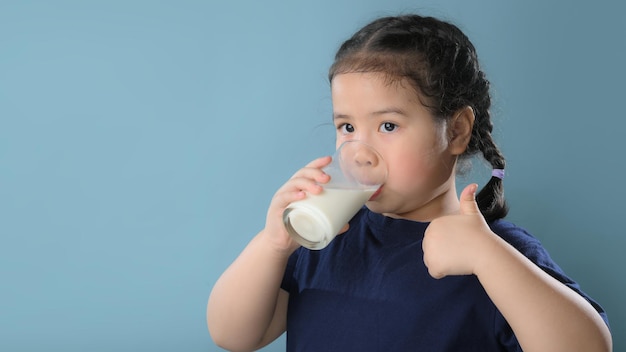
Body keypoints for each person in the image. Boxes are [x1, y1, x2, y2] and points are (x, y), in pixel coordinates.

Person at [207, 13, 612, 351]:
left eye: (387, 125)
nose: (361, 150)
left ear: (455, 131)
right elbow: (235, 336)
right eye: (347, 126)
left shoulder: (497, 254)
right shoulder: (324, 239)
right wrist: (272, 244)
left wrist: (489, 258)